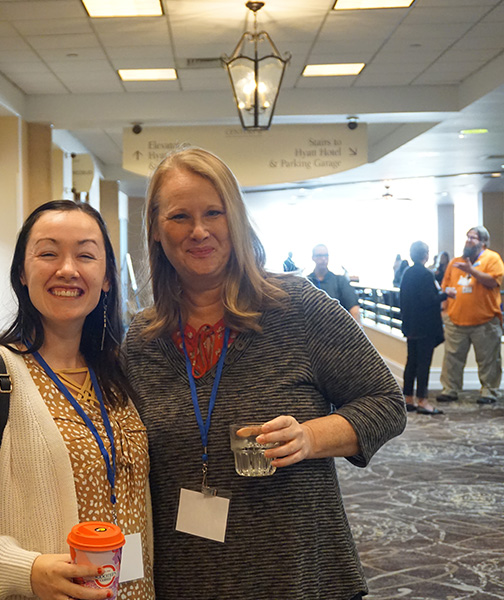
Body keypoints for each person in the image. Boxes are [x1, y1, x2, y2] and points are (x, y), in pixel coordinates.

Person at [123, 147, 406, 600]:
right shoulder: (141, 338)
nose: (199, 231)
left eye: (213, 213)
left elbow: (386, 405)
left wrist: (311, 437)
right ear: (156, 230)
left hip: (294, 570)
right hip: (185, 574)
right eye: (180, 217)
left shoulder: (297, 306)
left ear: (235, 219)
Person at [0, 200, 154, 600]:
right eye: (48, 253)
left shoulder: (117, 374)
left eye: (86, 255)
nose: (67, 269)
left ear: (107, 277)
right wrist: (26, 571)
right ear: (22, 273)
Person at [437, 226, 504, 405]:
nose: (468, 240)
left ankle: (489, 391)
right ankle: (450, 389)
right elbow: (445, 286)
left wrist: (471, 270)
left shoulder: (492, 258)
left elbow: (493, 282)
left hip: (485, 321)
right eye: (467, 237)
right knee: (452, 359)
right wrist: (445, 311)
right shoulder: (455, 262)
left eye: (473, 238)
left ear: (483, 242)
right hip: (456, 321)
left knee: (489, 360)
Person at [400, 241, 453, 415]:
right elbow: (428, 300)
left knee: (411, 363)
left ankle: (408, 398)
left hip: (412, 326)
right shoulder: (425, 274)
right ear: (426, 255)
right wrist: (446, 294)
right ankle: (423, 401)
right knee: (424, 364)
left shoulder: (406, 273)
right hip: (425, 327)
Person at [308, 243, 361, 323]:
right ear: (313, 258)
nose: (323, 259)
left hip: (338, 328)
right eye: (319, 255)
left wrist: (358, 328)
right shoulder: (307, 282)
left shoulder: (340, 281)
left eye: (326, 255)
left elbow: (353, 306)